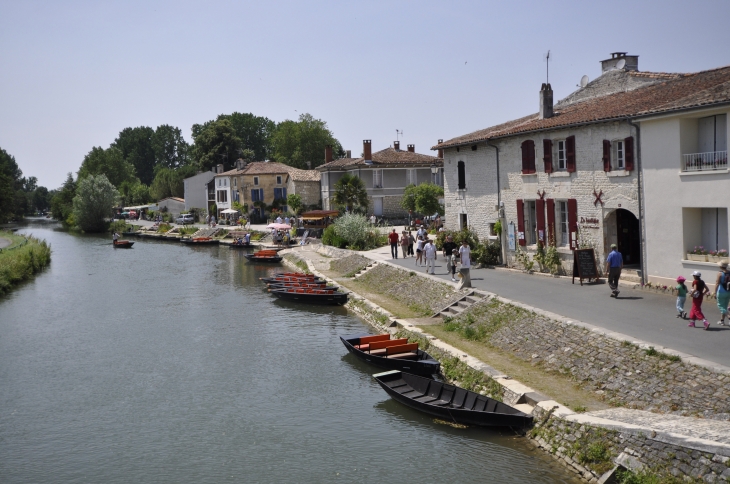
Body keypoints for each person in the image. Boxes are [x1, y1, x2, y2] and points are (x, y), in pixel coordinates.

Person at [715, 261, 730, 326]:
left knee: (720, 306)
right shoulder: (729, 272)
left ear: (721, 266)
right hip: (728, 291)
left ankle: (729, 317)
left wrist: (715, 292)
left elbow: (717, 283)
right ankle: (722, 321)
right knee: (725, 307)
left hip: (721, 291)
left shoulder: (720, 273)